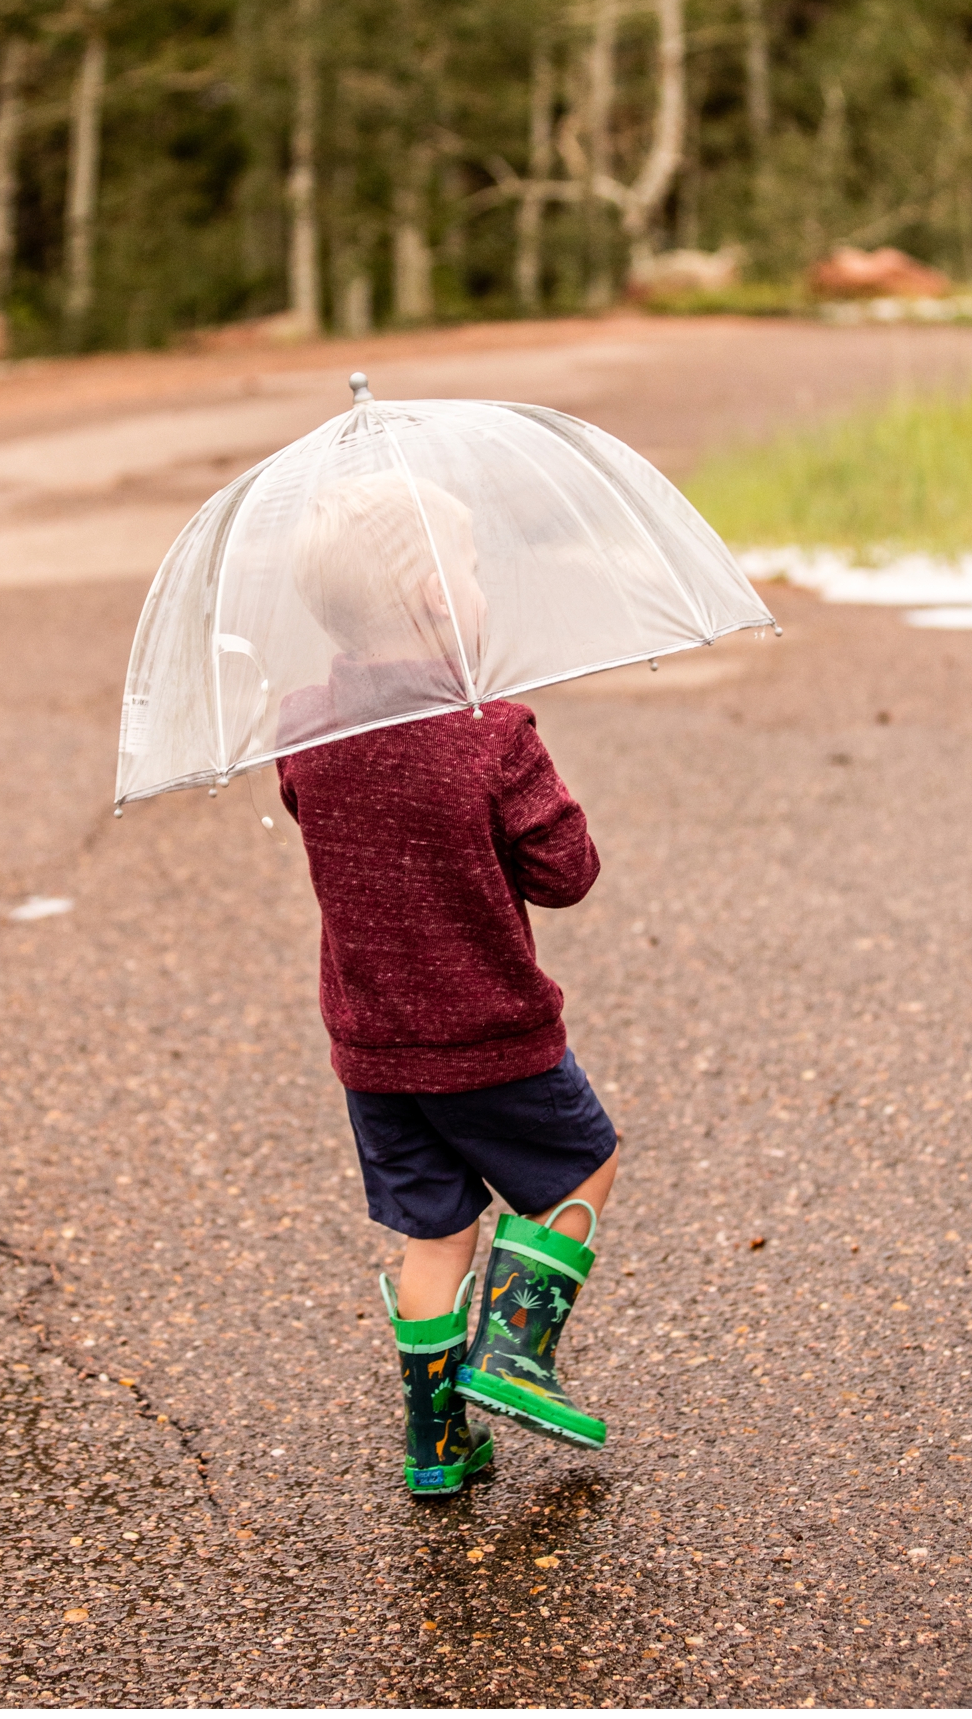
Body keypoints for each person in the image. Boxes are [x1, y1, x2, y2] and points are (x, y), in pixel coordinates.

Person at [278, 470, 619, 1498]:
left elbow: (331, 822)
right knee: (582, 1167)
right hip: (489, 1034)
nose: (478, 588)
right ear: (435, 599)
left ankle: (437, 1444)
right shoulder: (487, 731)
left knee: (434, 1232)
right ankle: (515, 1352)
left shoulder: (304, 732)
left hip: (374, 1047)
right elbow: (567, 873)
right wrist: (528, 774)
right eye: (467, 570)